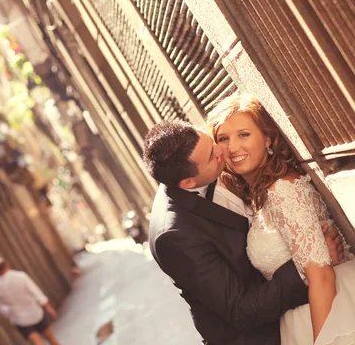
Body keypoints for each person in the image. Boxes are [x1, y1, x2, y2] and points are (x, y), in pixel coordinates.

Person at [143, 120, 344, 345]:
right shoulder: (174, 236)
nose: (223, 150)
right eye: (212, 156)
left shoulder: (198, 164)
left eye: (211, 142)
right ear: (188, 183)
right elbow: (241, 310)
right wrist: (308, 262)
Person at [208, 93, 355, 345]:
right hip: (300, 317)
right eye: (223, 138)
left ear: (267, 138)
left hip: (334, 311)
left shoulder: (283, 191)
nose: (233, 147)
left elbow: (321, 277)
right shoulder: (258, 195)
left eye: (244, 134)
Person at [0, 258, 60, 345]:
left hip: (19, 318)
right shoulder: (21, 276)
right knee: (51, 338)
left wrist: (8, 312)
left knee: (37, 342)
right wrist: (48, 307)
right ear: (7, 264)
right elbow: (35, 291)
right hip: (35, 312)